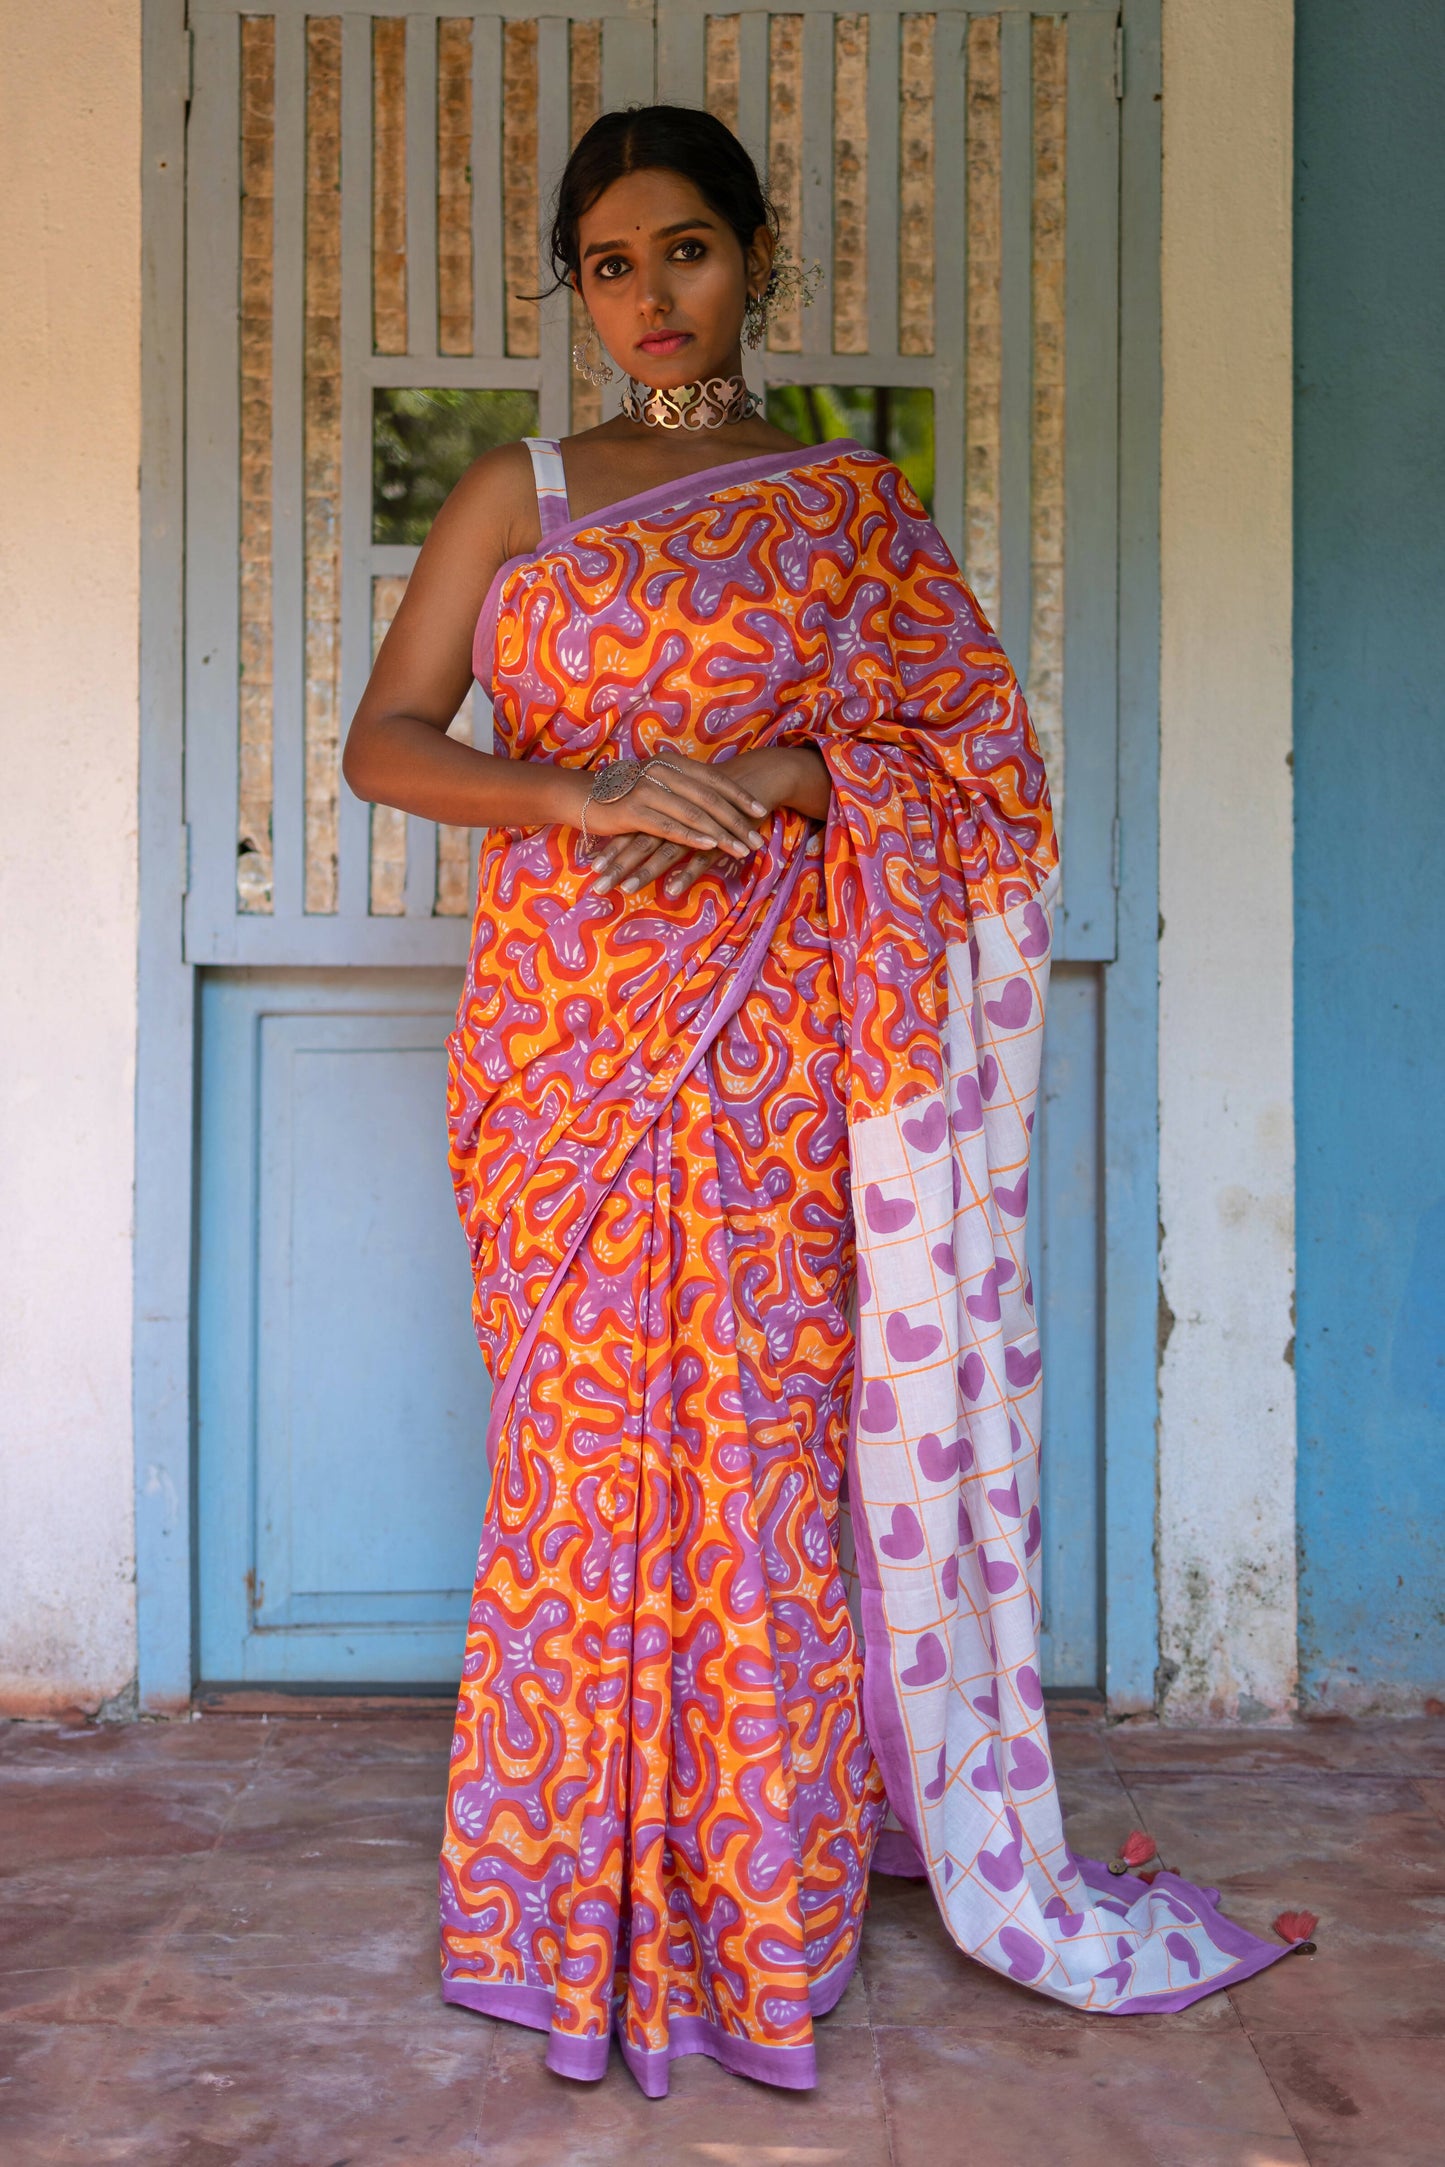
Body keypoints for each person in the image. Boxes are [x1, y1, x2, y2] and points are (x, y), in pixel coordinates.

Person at [343, 103, 1289, 2101]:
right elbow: (389, 742)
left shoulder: (852, 508)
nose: (649, 296)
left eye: (685, 249)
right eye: (608, 262)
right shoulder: (516, 492)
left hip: (781, 1039)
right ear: (577, 289)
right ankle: (551, 1893)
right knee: (579, 1456)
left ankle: (759, 1899)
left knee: (762, 1445)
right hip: (561, 1046)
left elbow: (979, 771)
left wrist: (782, 781)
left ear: (757, 256)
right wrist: (584, 792)